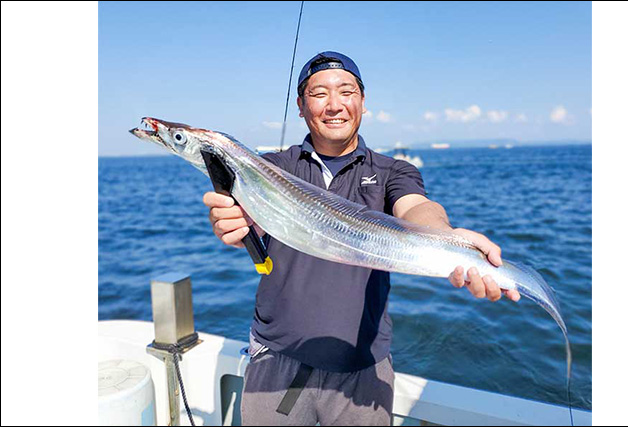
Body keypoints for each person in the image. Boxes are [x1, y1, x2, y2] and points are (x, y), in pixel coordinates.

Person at [202, 51, 520, 426]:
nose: (334, 105)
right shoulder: (273, 168)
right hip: (276, 358)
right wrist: (233, 224)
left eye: (346, 91)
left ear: (363, 103)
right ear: (301, 107)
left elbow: (416, 208)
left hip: (363, 368)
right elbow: (246, 218)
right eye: (319, 94)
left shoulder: (392, 171)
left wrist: (446, 238)